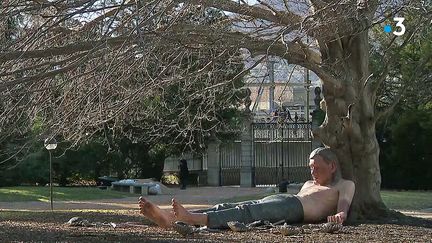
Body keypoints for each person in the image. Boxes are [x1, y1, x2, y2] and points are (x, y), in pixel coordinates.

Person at [138, 147, 355, 229]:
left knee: (246, 213)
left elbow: (344, 203)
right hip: (284, 202)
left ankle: (192, 219)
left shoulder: (344, 185)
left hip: (294, 209)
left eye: (317, 167)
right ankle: (172, 218)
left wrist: (340, 214)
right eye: (310, 167)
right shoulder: (309, 184)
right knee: (234, 205)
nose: (312, 172)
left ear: (332, 166)